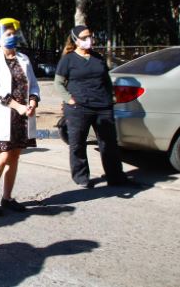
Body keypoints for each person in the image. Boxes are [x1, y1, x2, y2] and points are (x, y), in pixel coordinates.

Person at [54, 25, 134, 188]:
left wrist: (111, 97)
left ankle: (115, 177)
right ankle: (81, 177)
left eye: (90, 36)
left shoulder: (98, 58)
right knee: (78, 144)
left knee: (109, 144)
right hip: (79, 108)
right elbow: (58, 83)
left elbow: (106, 80)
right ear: (76, 40)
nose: (88, 40)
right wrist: (69, 100)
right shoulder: (67, 60)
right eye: (84, 37)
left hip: (103, 107)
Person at [0, 18, 39, 216]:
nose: (12, 37)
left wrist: (32, 102)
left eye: (14, 33)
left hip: (21, 118)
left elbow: (33, 84)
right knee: (2, 156)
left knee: (14, 156)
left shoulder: (23, 59)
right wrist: (17, 106)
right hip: (2, 116)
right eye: (8, 34)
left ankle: (7, 198)